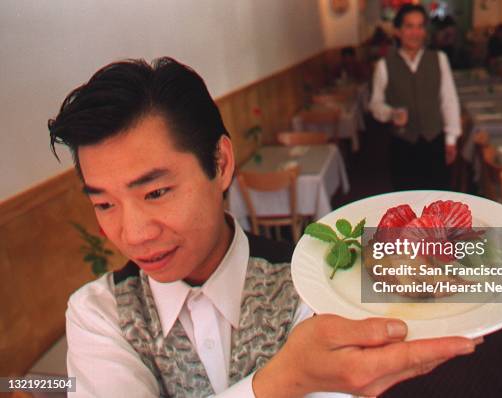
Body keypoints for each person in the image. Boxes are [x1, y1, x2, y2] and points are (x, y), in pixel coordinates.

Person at [48, 57, 480, 397]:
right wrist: (281, 383)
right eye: (104, 203)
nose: (134, 233)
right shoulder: (99, 313)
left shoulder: (313, 285)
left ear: (220, 164)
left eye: (156, 193)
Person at [369, 4, 461, 191]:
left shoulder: (439, 59)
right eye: (409, 26)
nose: (415, 32)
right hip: (403, 145)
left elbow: (449, 100)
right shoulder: (384, 65)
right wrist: (391, 113)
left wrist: (451, 138)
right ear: (398, 31)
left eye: (420, 26)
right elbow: (375, 104)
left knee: (437, 201)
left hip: (434, 141)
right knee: (406, 203)